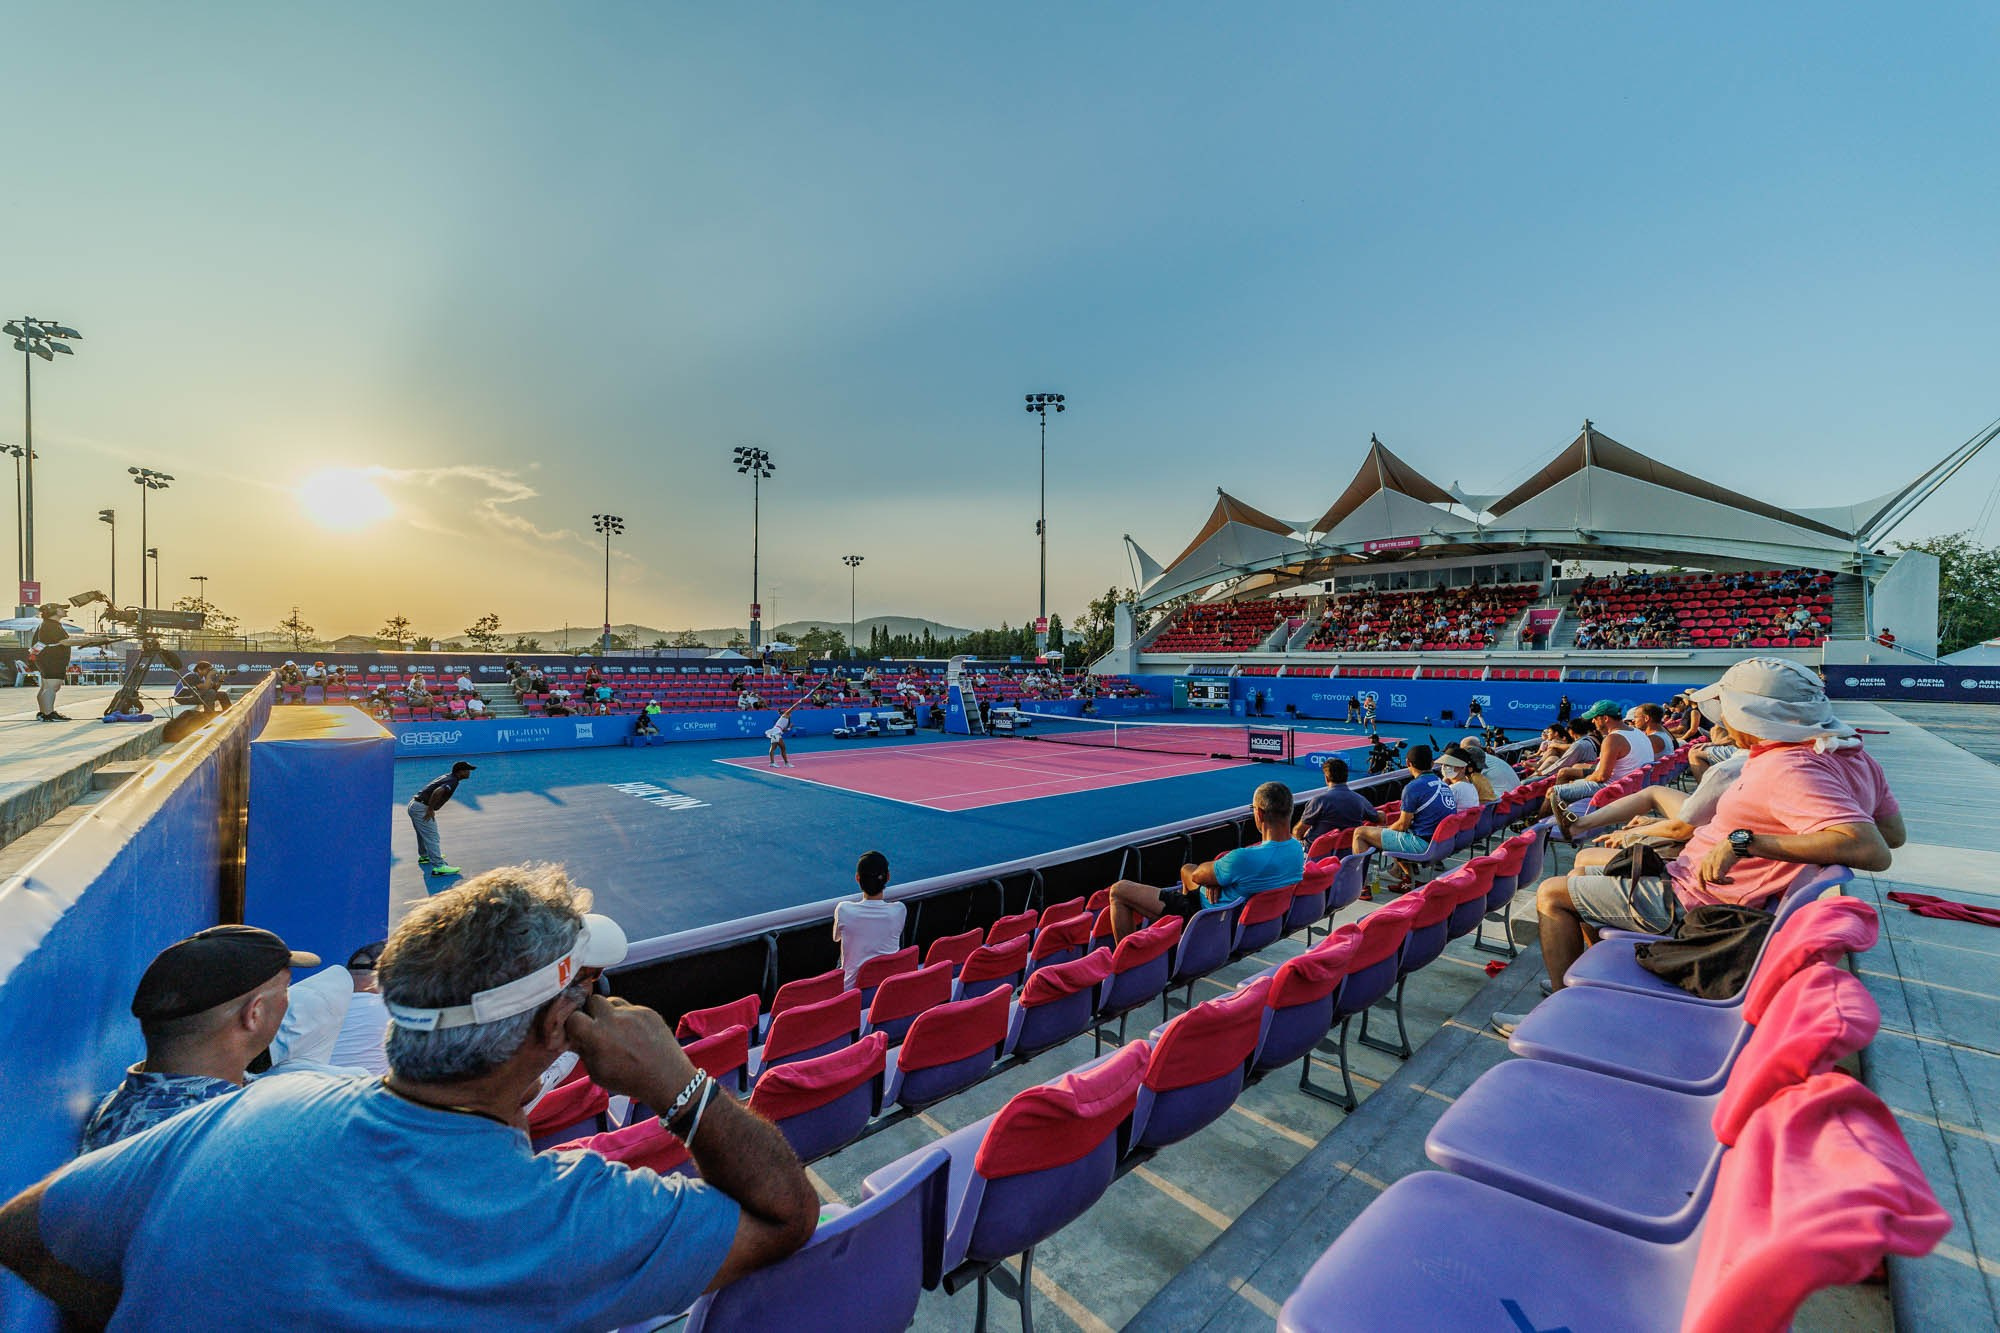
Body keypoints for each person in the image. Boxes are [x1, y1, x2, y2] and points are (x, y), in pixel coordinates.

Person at [0, 865, 817, 1327]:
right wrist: (677, 1083)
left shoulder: (251, 1105)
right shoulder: (562, 1217)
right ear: (555, 1029)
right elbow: (785, 1212)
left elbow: (23, 1231)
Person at [1495, 659, 1905, 1035]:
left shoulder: (1790, 766)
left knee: (1552, 894)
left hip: (1699, 904)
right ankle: (1588, 995)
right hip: (1705, 886)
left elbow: (1872, 849)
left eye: (1727, 706)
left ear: (1752, 714)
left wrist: (1745, 842)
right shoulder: (1851, 757)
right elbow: (1893, 832)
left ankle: (1559, 1020)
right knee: (1585, 875)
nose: (1722, 717)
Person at [77, 926, 319, 1154]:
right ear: (254, 1014)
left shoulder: (120, 1105)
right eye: (285, 990)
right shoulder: (243, 1137)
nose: (288, 1001)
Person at [1105, 781, 1304, 939]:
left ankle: (1126, 963)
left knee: (1118, 891)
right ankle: (1176, 939)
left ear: (1259, 813)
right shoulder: (1296, 849)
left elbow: (1200, 876)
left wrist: (1211, 878)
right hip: (1246, 923)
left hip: (1205, 918)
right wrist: (1215, 879)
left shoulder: (1243, 859)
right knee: (1187, 868)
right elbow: (1198, 874)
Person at [1351, 744, 1456, 879]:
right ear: (1431, 763)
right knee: (1395, 832)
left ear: (1408, 763)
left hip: (1424, 845)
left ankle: (1360, 884)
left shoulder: (1413, 787)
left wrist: (1386, 829)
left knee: (1360, 833)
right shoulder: (1444, 784)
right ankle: (1401, 874)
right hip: (1443, 843)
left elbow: (1402, 826)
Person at [1542, 701, 1648, 818]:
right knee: (1571, 780)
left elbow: (1601, 777)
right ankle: (1556, 822)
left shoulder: (1613, 738)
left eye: (1595, 718)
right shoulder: (1638, 732)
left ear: (1605, 718)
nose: (1593, 721)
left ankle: (1537, 829)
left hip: (1611, 789)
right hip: (1629, 787)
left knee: (1553, 792)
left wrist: (1586, 779)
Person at [832, 851, 905, 988]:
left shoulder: (843, 909)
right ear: (888, 877)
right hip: (886, 988)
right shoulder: (900, 910)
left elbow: (836, 938)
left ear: (857, 878)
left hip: (851, 992)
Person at [408, 761, 475, 878]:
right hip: (422, 808)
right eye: (467, 770)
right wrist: (430, 809)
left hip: (415, 805)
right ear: (461, 772)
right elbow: (438, 791)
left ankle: (425, 856)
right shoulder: (452, 781)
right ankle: (439, 867)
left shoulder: (449, 777)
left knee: (422, 834)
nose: (469, 772)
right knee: (432, 836)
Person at [1294, 758, 1377, 848]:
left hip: (1317, 854)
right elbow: (1377, 818)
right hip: (1348, 852)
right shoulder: (1360, 800)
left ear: (1326, 778)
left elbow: (1298, 832)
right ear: (1346, 776)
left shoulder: (1319, 801)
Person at [31, 603, 86, 722]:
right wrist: (89, 641)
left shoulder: (48, 624)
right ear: (54, 611)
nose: (65, 610)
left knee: (46, 687)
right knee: (52, 686)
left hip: (47, 659)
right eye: (61, 609)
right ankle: (48, 714)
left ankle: (44, 712)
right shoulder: (51, 625)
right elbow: (65, 642)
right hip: (53, 659)